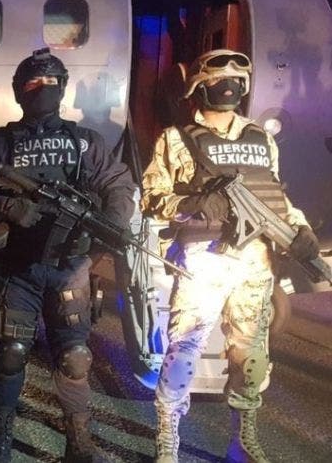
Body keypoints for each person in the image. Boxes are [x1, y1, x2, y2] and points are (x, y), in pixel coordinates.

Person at [140, 49, 319, 463]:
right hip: (203, 258)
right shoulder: (175, 138)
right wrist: (192, 205)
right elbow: (152, 198)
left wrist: (300, 228)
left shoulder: (261, 138)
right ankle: (168, 436)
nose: (230, 85)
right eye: (220, 78)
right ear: (198, 86)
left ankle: (243, 439)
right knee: (183, 351)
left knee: (251, 357)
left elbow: (274, 197)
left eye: (238, 79)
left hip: (255, 262)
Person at [0, 48, 135, 463]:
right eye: (33, 82)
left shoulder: (86, 142)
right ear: (18, 91)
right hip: (17, 268)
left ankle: (79, 444)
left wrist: (110, 227)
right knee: (11, 354)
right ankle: (0, 441)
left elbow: (118, 185)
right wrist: (5, 207)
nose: (42, 89)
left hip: (70, 266)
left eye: (51, 82)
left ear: (62, 89)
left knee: (75, 358)